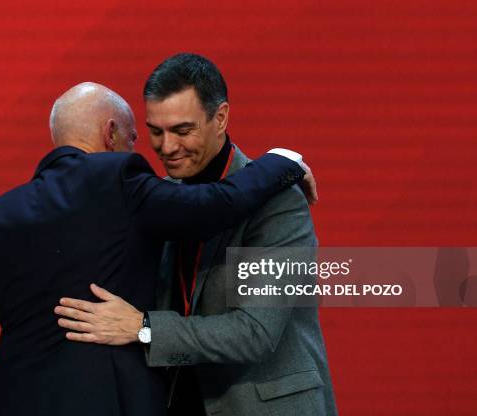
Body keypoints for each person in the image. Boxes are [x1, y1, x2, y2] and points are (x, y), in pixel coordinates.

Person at [0, 81, 313, 415]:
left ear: (221, 117)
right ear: (111, 132)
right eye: (142, 136)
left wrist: (6, 404)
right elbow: (219, 204)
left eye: (182, 130)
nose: (161, 150)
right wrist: (285, 160)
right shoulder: (126, 185)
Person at [52, 54, 338, 415]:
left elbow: (255, 333)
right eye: (156, 131)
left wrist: (144, 328)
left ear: (220, 118)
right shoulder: (160, 200)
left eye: (182, 130)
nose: (167, 147)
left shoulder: (279, 202)